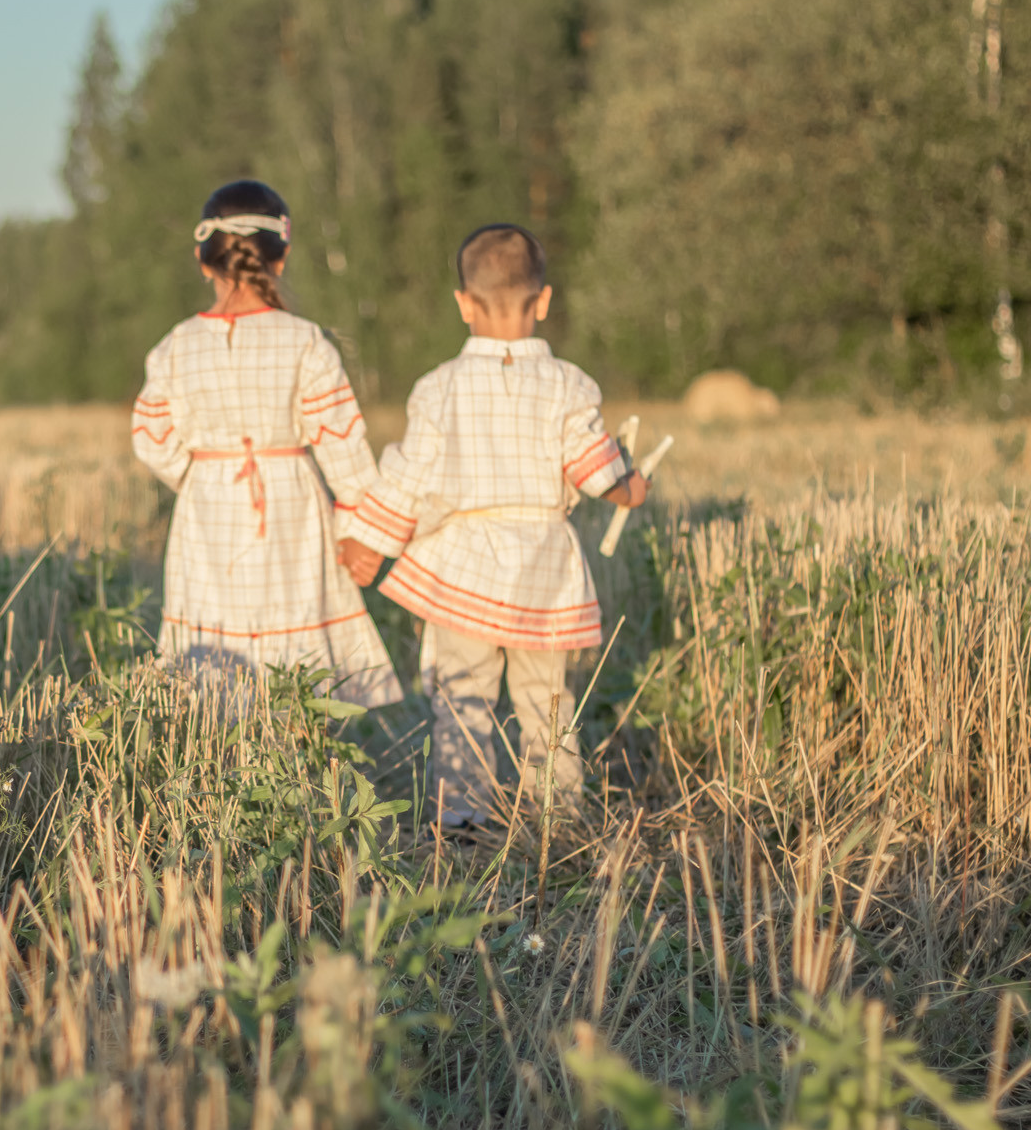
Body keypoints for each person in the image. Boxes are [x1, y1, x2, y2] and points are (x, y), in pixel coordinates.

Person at [337, 224, 648, 826]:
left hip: (465, 566)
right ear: (545, 300)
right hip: (541, 569)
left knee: (461, 698)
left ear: (463, 304)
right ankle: (559, 815)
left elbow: (409, 476)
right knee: (545, 701)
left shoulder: (440, 388)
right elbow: (594, 467)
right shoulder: (568, 385)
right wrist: (632, 488)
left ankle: (461, 819)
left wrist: (370, 542)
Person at [132, 180, 403, 709]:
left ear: (202, 260)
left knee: (212, 642)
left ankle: (222, 767)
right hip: (291, 506)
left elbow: (152, 437)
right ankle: (298, 760)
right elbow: (344, 447)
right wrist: (360, 533)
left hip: (207, 505)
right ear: (282, 258)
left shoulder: (175, 346)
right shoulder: (305, 341)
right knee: (297, 641)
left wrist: (197, 476)